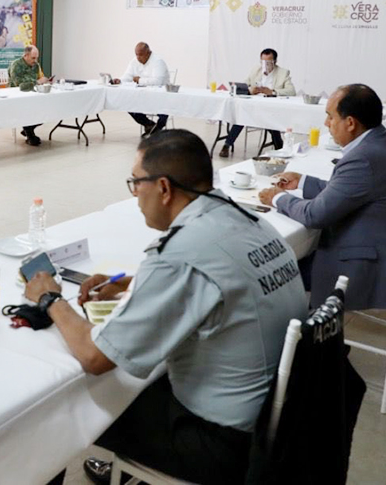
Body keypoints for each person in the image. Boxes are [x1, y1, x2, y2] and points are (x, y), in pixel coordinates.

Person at [23, 130, 306, 484]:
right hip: (276, 421)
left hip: (218, 443)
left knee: (60, 409)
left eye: (135, 183)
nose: (135, 195)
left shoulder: (181, 253)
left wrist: (50, 298)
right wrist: (135, 282)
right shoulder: (250, 222)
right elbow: (221, 278)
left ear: (163, 188)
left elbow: (95, 357)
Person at [257, 84, 386, 310]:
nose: (327, 124)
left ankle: (298, 328)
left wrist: (277, 198)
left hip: (371, 266)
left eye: (330, 117)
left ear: (351, 123)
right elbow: (350, 191)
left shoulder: (363, 158)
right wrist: (303, 182)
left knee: (273, 271)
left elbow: (315, 215)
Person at [219, 48, 297, 158]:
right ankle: (227, 145)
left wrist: (272, 92)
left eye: (268, 62)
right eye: (263, 62)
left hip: (271, 108)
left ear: (275, 61)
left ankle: (279, 146)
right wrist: (250, 90)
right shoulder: (256, 70)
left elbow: (291, 91)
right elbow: (245, 85)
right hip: (253, 107)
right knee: (241, 115)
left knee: (271, 119)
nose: (265, 65)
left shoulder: (283, 73)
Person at [113, 42, 169, 135]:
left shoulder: (158, 62)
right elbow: (128, 75)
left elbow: (157, 81)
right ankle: (149, 124)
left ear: (148, 53)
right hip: (143, 93)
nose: (138, 57)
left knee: (164, 107)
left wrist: (139, 80)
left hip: (159, 94)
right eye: (136, 54)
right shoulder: (134, 61)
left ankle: (159, 127)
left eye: (141, 55)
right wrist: (120, 80)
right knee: (127, 103)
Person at [8, 44, 51, 146]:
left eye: (37, 58)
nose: (35, 60)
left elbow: (40, 78)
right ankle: (29, 133)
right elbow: (19, 84)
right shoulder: (16, 65)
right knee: (30, 110)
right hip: (17, 96)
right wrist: (37, 82)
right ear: (26, 55)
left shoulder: (36, 65)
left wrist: (45, 81)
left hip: (33, 94)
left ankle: (28, 130)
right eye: (33, 58)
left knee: (46, 111)